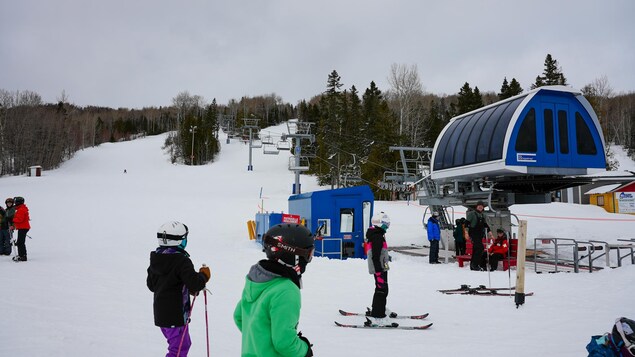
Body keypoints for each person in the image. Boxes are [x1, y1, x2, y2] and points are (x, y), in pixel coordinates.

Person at [234, 223, 315, 357]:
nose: (308, 260)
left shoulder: (255, 281)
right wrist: (305, 350)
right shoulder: (287, 290)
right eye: (309, 254)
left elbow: (239, 317)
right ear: (293, 255)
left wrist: (260, 341)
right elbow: (284, 343)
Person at [147, 221, 210, 357]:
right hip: (175, 316)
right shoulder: (181, 261)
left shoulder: (156, 258)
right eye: (185, 238)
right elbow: (195, 284)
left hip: (161, 314)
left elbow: (151, 285)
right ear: (179, 241)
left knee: (183, 344)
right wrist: (203, 275)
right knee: (178, 349)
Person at [365, 211, 393, 323]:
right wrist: (378, 270)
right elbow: (375, 256)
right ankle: (378, 314)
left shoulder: (377, 235)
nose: (387, 227)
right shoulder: (377, 237)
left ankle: (379, 308)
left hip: (381, 267)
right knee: (382, 289)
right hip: (379, 268)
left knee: (381, 288)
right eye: (386, 224)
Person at [465, 201, 490, 271]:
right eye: (479, 206)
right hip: (473, 233)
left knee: (476, 249)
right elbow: (466, 223)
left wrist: (490, 232)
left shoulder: (483, 215)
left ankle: (473, 265)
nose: (480, 207)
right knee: (480, 248)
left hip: (480, 234)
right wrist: (466, 232)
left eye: (482, 206)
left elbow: (485, 225)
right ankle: (475, 264)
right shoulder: (472, 214)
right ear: (477, 206)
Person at [12, 197, 30, 262]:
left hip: (23, 228)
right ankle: (21, 255)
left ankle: (23, 256)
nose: (14, 203)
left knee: (20, 242)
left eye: (15, 202)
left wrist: (12, 219)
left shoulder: (21, 209)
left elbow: (19, 219)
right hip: (23, 227)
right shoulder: (20, 208)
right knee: (20, 242)